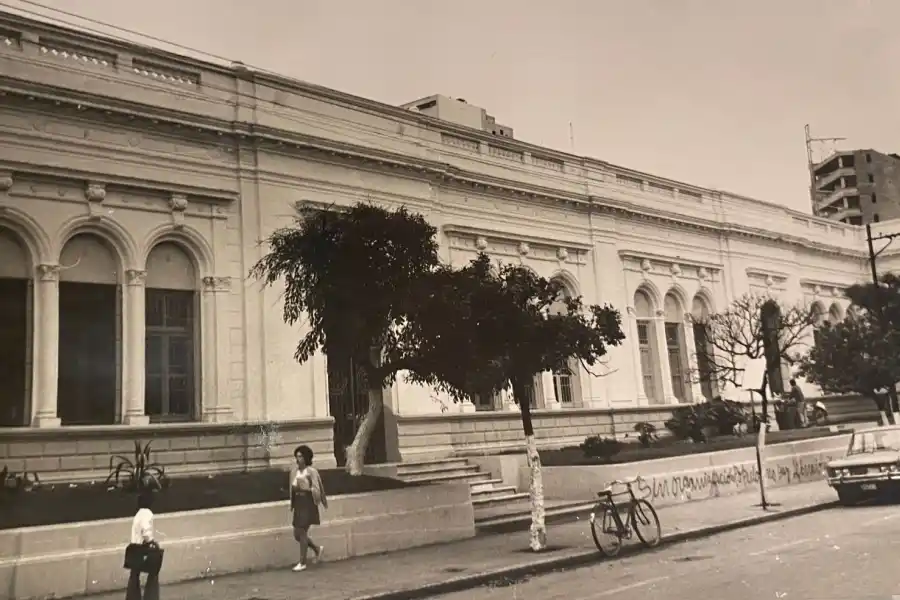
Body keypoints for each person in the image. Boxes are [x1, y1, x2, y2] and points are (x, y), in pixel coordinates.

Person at [289, 444, 328, 572]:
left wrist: (308, 488)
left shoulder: (311, 471)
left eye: (300, 456)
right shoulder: (294, 472)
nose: (298, 459)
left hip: (308, 503)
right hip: (299, 503)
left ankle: (302, 562)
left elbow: (317, 489)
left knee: (301, 531)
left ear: (306, 458)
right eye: (297, 456)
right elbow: (292, 488)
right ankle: (317, 549)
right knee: (297, 534)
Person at [126, 490, 160, 600]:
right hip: (142, 547)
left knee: (134, 575)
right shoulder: (147, 513)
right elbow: (146, 531)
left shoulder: (138, 514)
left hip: (133, 547)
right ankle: (151, 596)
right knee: (153, 571)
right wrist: (152, 542)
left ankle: (132, 597)